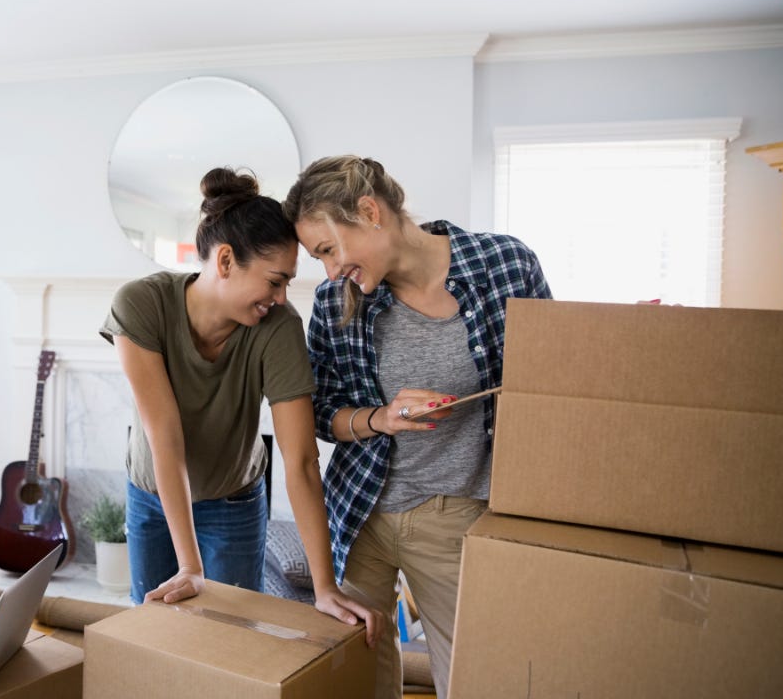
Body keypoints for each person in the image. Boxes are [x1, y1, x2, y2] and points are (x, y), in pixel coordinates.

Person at [282, 156, 551, 699]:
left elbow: (551, 381)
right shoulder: (335, 300)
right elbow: (322, 414)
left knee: (474, 677)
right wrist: (380, 419)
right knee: (358, 681)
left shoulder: (505, 264)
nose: (331, 271)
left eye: (329, 250)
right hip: (359, 515)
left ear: (368, 211)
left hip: (460, 516)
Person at [100, 167, 382, 645]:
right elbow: (164, 436)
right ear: (226, 260)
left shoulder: (278, 328)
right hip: (152, 496)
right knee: (151, 639)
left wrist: (323, 586)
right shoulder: (142, 304)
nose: (280, 297)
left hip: (233, 501)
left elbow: (301, 461)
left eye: (288, 283)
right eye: (275, 281)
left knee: (229, 643)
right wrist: (190, 566)